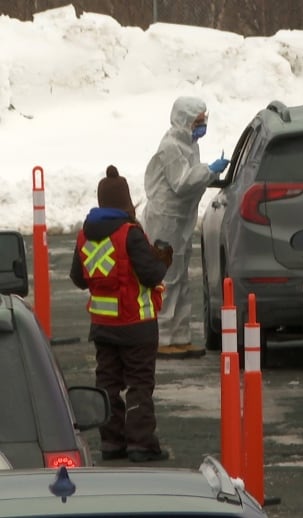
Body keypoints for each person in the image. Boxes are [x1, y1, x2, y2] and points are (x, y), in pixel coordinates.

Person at [70, 165, 173, 463]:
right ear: (126, 201)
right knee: (139, 384)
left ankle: (112, 443)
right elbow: (153, 275)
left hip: (103, 327)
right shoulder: (130, 234)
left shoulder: (84, 236)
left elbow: (79, 278)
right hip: (136, 325)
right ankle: (141, 444)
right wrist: (163, 258)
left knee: (108, 384)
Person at [140, 96, 229, 359]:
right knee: (167, 278)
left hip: (180, 220)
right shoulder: (170, 146)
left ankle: (180, 335)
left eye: (203, 120)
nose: (201, 126)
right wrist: (209, 170)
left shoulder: (189, 145)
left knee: (181, 279)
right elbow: (181, 182)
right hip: (165, 220)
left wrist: (209, 174)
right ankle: (163, 336)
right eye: (198, 121)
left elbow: (192, 180)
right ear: (184, 120)